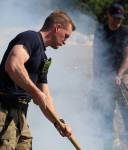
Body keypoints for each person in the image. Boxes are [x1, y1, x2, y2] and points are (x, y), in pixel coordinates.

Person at [0, 10, 75, 149]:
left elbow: (45, 96)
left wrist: (58, 123)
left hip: (20, 114)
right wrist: (35, 92)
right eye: (66, 36)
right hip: (4, 109)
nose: (65, 42)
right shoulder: (30, 37)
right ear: (57, 28)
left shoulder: (44, 59)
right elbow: (13, 65)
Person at [93, 3, 128, 150]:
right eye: (115, 18)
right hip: (104, 74)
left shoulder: (127, 33)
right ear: (109, 16)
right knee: (106, 109)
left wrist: (119, 74)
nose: (118, 21)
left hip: (123, 74)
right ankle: (110, 144)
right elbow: (97, 55)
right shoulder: (101, 31)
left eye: (120, 18)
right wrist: (96, 77)